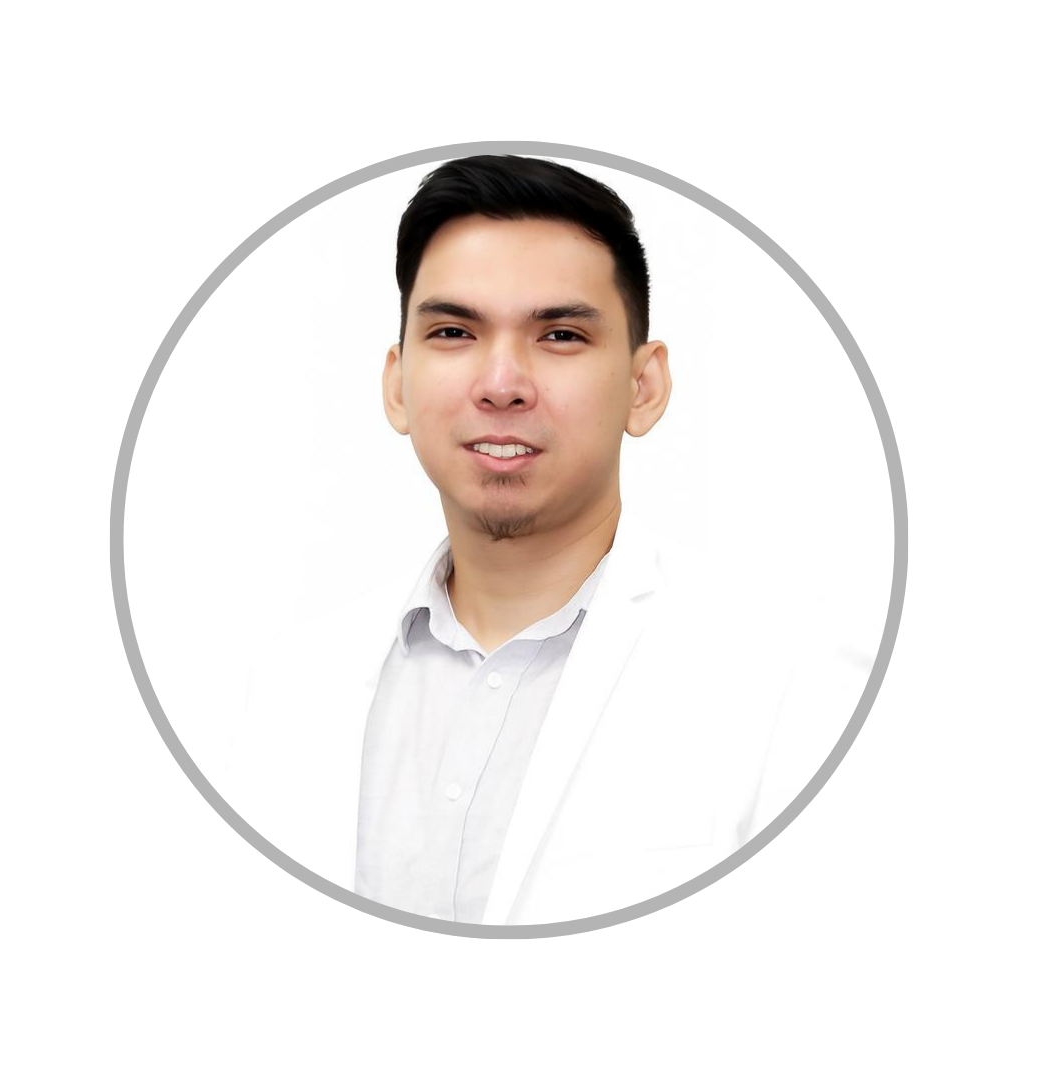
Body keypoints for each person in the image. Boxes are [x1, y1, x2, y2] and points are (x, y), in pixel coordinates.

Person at [231, 154, 880, 926]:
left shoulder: (800, 685)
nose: (502, 384)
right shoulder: (291, 690)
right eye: (453, 331)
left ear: (644, 387)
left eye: (561, 335)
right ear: (396, 384)